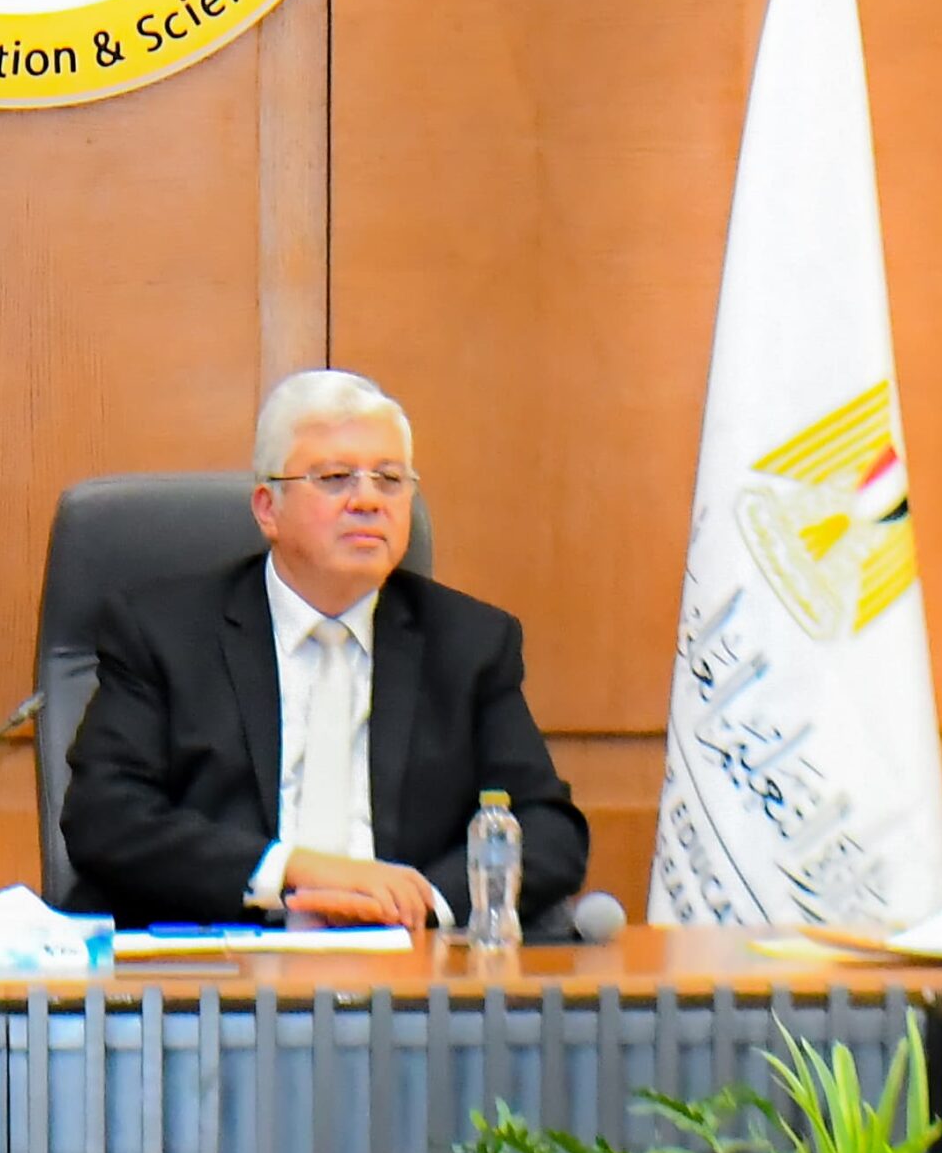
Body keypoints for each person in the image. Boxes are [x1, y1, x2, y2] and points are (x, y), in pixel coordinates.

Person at [60, 370, 588, 931]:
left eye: (390, 479)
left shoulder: (470, 643)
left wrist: (422, 901)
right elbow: (105, 817)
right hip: (219, 955)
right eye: (336, 478)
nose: (368, 501)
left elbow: (548, 831)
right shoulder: (163, 632)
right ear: (268, 508)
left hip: (405, 959)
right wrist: (295, 870)